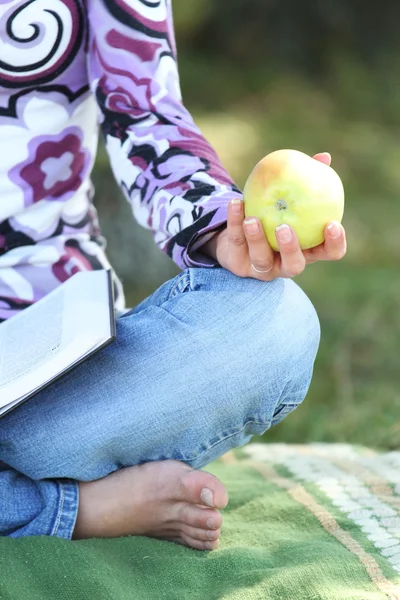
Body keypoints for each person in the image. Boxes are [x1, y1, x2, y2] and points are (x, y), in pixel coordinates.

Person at [0, 0, 346, 549]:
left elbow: (145, 114)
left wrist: (222, 227)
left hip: (47, 375)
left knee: (276, 323)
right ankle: (79, 506)